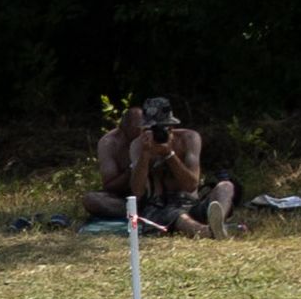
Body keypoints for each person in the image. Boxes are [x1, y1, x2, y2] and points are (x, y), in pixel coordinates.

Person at [80, 99, 233, 236]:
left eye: (161, 128)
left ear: (171, 127)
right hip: (159, 207)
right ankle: (206, 232)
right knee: (179, 216)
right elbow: (138, 191)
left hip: (190, 202)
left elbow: (191, 185)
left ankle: (218, 221)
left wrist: (170, 155)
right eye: (152, 129)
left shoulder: (189, 139)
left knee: (226, 187)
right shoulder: (138, 146)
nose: (157, 134)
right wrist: (145, 156)